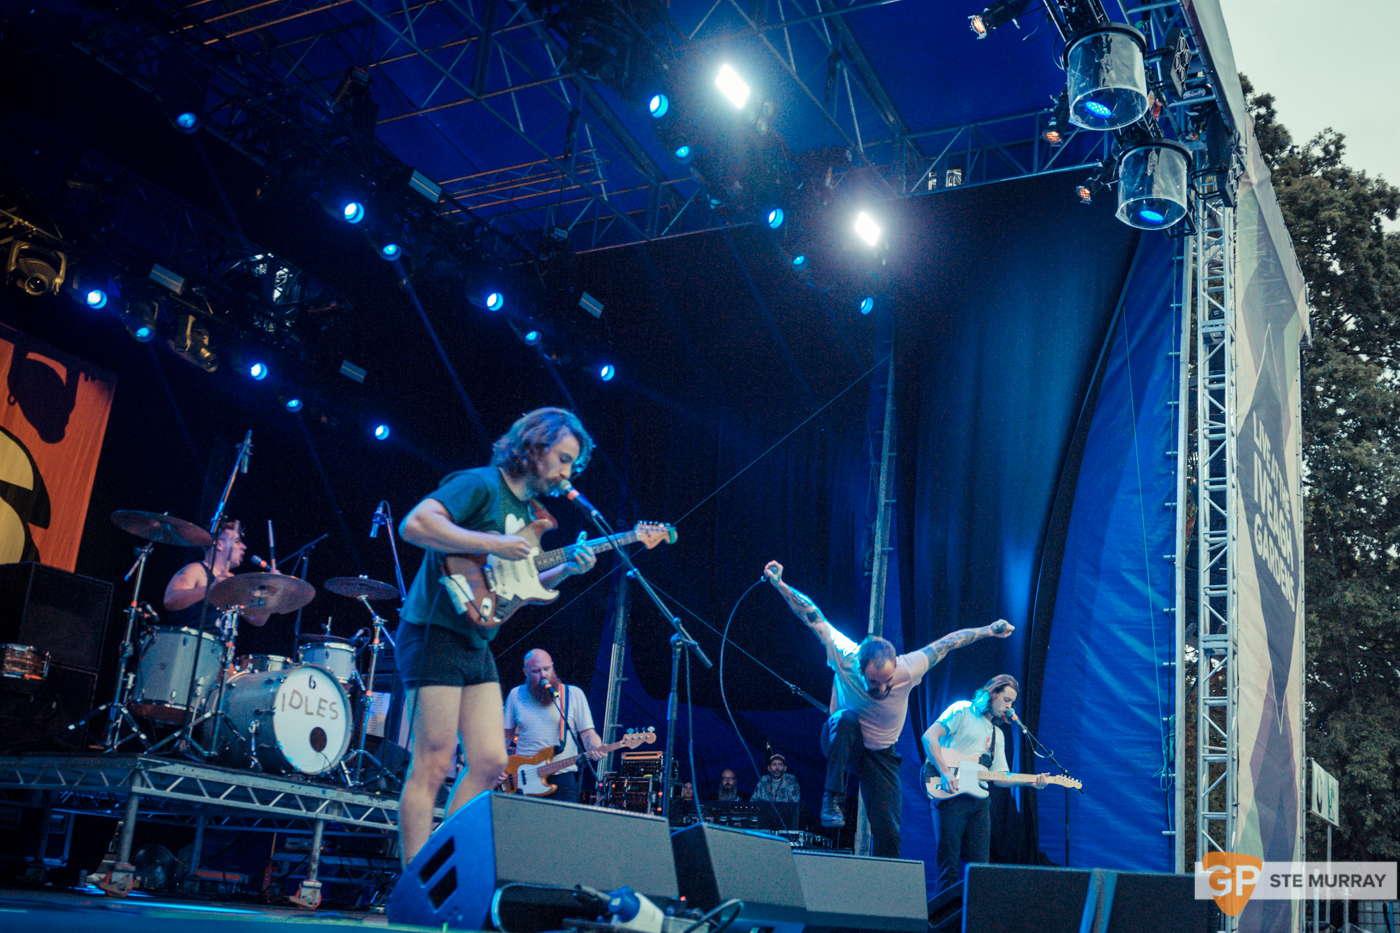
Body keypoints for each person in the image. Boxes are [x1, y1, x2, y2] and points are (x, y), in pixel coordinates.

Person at [396, 408, 598, 866]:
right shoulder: (481, 484)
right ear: (535, 446)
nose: (567, 473)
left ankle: (440, 864)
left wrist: (567, 567)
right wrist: (494, 544)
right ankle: (414, 882)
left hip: (476, 640)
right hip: (434, 629)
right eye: (563, 459)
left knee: (489, 761)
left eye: (572, 465)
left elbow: (519, 592)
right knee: (433, 759)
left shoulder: (530, 514)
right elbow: (416, 525)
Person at [763, 559, 1014, 858]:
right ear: (860, 667)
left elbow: (949, 642)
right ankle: (832, 797)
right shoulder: (845, 655)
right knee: (846, 720)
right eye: (873, 683)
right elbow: (812, 616)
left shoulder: (909, 667)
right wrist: (780, 584)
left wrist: (989, 630)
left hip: (880, 755)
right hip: (843, 741)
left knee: (889, 833)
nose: (881, 690)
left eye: (887, 682)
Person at [924, 674, 1048, 894]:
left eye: (1013, 702)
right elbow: (929, 737)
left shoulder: (997, 734)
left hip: (979, 803)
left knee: (981, 870)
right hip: (950, 795)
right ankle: (941, 925)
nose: (1010, 707)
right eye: (1007, 700)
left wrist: (1031, 782)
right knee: (948, 866)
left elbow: (999, 777)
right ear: (993, 693)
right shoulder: (962, 710)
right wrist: (945, 772)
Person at [502, 648, 604, 803]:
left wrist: (595, 747)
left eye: (547, 669)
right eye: (536, 671)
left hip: (562, 779)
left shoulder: (573, 695)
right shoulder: (516, 695)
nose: (543, 675)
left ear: (553, 667)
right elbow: (505, 736)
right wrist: (499, 768)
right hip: (522, 779)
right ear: (526, 672)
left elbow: (587, 733)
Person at [163, 518, 278, 630]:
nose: (244, 547)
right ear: (218, 544)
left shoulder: (232, 580)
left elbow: (257, 620)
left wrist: (268, 593)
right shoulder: (196, 569)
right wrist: (212, 587)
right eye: (237, 542)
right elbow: (170, 601)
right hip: (190, 644)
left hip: (220, 647)